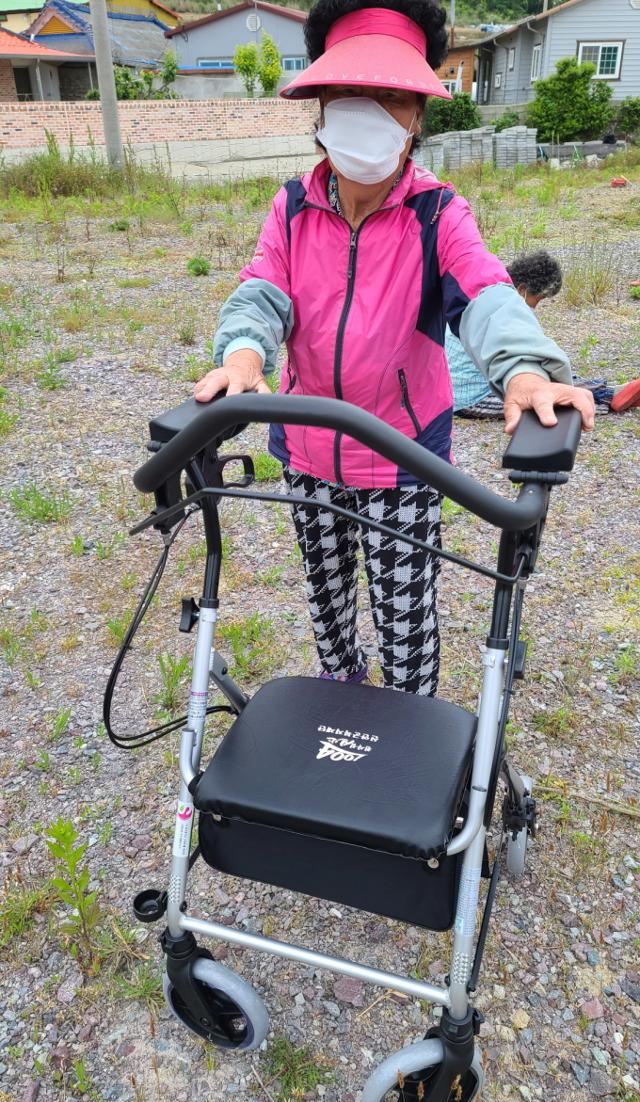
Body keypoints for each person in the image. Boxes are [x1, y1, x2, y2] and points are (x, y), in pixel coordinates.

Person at [194, 0, 594, 698]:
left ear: (416, 118)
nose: (369, 113)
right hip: (309, 450)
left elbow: (486, 294)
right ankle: (341, 699)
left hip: (405, 458)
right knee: (328, 608)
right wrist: (243, 356)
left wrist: (525, 369)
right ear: (321, 107)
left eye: (391, 97)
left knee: (406, 620)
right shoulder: (292, 208)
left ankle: (408, 727)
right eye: (353, 94)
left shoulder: (437, 214)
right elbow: (262, 291)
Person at [450, 250, 640, 417]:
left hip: (473, 384)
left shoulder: (480, 300)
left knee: (543, 376)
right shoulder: (505, 312)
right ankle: (608, 397)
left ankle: (610, 391)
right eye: (538, 299)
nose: (535, 306)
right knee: (553, 399)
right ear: (522, 289)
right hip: (474, 398)